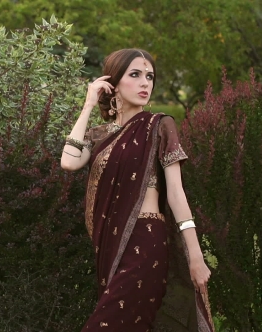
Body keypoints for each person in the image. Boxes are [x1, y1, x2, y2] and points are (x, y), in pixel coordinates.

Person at [61, 48, 215, 332]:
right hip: (109, 244)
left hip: (146, 242)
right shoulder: (99, 135)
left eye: (150, 76)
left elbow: (176, 194)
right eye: (135, 75)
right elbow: (69, 161)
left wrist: (195, 255)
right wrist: (88, 104)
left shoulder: (159, 125)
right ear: (113, 82)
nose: (146, 83)